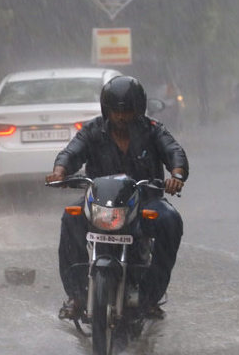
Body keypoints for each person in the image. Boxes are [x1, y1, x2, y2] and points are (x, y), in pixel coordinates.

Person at [45, 75, 189, 320]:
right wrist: (60, 171)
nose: (120, 117)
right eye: (115, 111)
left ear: (139, 109)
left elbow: (174, 152)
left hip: (145, 201)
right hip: (99, 202)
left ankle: (151, 296)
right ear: (106, 110)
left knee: (170, 220)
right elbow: (71, 152)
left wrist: (177, 175)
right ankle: (77, 296)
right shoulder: (92, 130)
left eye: (127, 111)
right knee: (70, 218)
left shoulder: (153, 130)